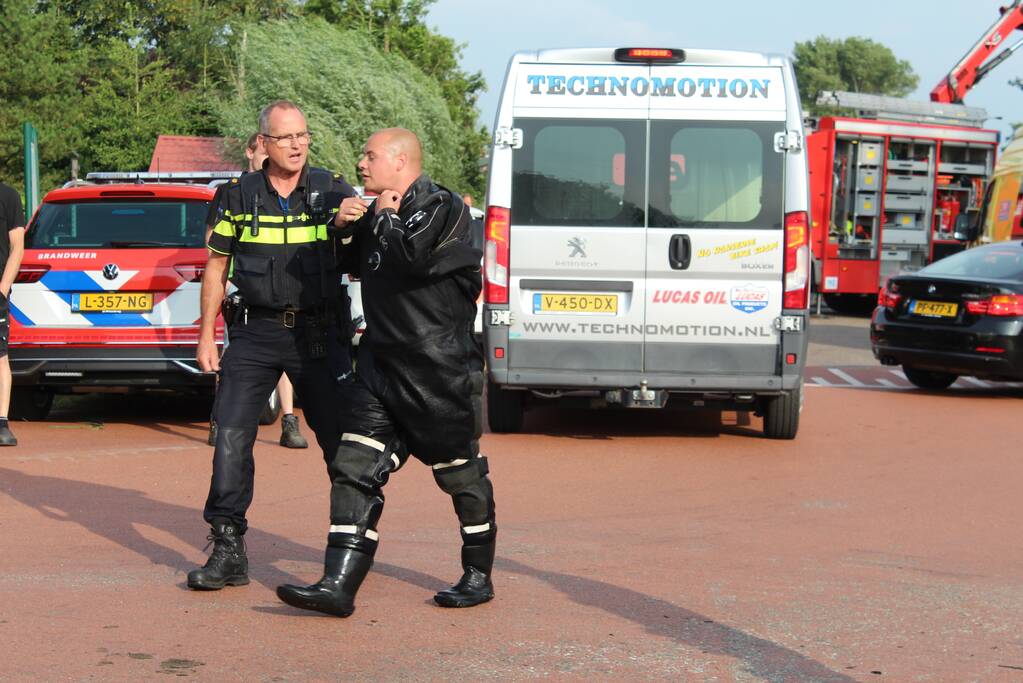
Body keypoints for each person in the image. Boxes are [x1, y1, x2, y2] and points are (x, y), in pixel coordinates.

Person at [276, 128, 495, 617]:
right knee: (353, 466)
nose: (360, 164)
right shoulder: (379, 210)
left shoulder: (444, 208)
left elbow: (411, 260)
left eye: (369, 155)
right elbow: (348, 263)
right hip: (379, 366)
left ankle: (478, 575)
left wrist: (386, 215)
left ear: (399, 160)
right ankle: (337, 585)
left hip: (437, 371)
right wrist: (346, 227)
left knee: (460, 476)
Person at [188, 101, 355, 590]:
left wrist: (352, 225)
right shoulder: (235, 196)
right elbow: (215, 269)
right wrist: (205, 335)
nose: (298, 145)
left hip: (320, 336)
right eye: (286, 138)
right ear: (263, 142)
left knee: (342, 446)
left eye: (303, 135)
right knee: (231, 437)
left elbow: (364, 255)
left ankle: (348, 550)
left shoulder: (332, 190)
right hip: (254, 334)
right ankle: (228, 548)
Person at [207, 133, 309, 450]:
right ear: (251, 152)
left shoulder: (289, 192)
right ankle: (220, 419)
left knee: (285, 352)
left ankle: (289, 418)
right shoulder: (231, 194)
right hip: (243, 293)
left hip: (282, 298)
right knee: (231, 360)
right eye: (262, 153)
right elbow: (214, 246)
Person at [0, 182, 26, 446]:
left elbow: (17, 246)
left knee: (0, 356)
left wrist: (3, 287)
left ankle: (1, 424)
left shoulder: (8, 196)